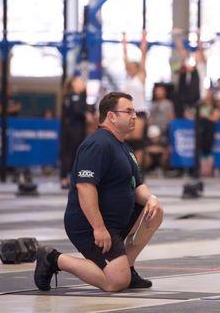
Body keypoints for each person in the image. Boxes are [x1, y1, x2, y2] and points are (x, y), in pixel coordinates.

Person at [34, 92, 163, 292]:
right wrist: (98, 228)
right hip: (89, 225)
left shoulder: (123, 147)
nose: (134, 116)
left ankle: (127, 267)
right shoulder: (98, 144)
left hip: (114, 223)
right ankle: (53, 258)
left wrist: (152, 199)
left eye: (134, 111)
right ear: (111, 116)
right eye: (128, 111)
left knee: (155, 211)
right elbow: (85, 187)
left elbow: (137, 185)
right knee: (116, 282)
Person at [122, 30, 148, 164]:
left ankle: (139, 171)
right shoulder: (127, 79)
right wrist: (124, 42)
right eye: (129, 67)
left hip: (139, 111)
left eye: (133, 67)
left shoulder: (140, 77)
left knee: (137, 140)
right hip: (127, 112)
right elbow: (125, 58)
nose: (130, 68)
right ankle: (129, 169)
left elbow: (143, 56)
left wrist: (144, 39)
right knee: (127, 140)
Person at [60, 76, 88, 189]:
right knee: (70, 154)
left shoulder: (79, 97)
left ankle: (69, 178)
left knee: (73, 154)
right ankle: (65, 178)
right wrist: (86, 115)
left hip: (75, 129)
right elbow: (77, 111)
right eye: (80, 81)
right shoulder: (73, 96)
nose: (83, 83)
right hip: (73, 130)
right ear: (74, 84)